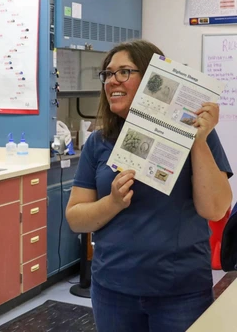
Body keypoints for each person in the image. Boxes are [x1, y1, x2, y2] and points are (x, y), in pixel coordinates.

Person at [66, 40, 232, 332]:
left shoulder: (195, 135)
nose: (112, 80)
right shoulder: (98, 141)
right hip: (113, 291)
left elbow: (216, 209)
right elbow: (75, 218)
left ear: (154, 79)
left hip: (181, 292)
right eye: (107, 74)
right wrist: (113, 202)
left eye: (124, 72)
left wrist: (199, 140)